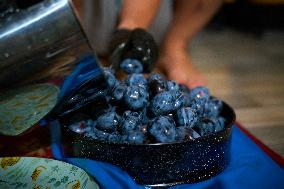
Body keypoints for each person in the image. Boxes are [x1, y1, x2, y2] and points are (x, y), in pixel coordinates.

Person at [74, 0, 221, 89]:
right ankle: (75, 49)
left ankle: (174, 46)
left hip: (163, 18)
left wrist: (131, 27)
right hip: (88, 19)